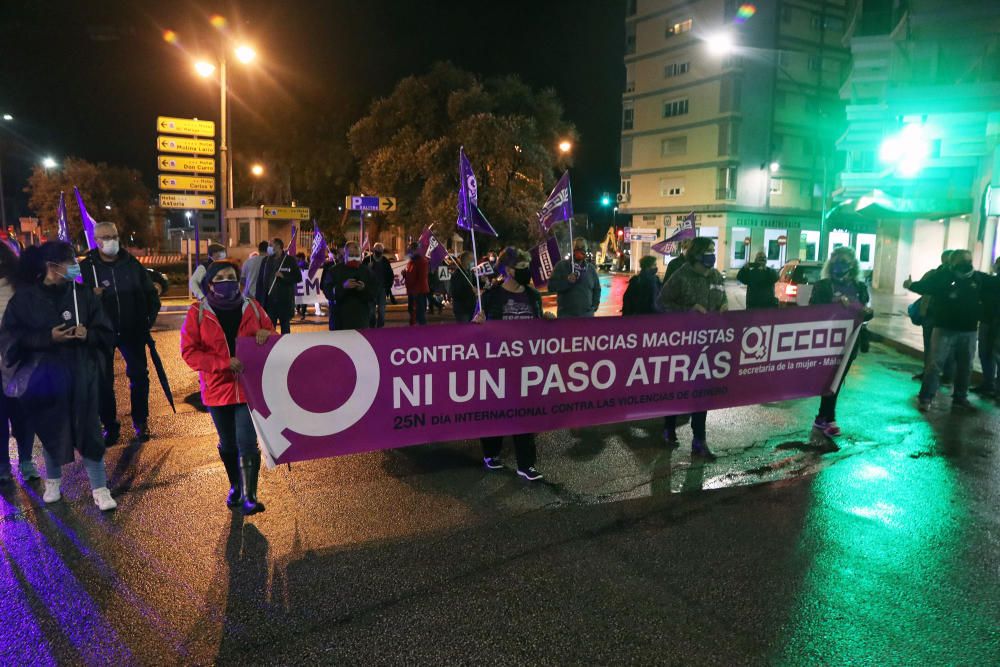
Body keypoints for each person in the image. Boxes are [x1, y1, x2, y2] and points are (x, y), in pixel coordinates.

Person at [3, 242, 117, 510]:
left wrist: (89, 334)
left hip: (81, 374)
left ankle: (100, 488)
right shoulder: (25, 300)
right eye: (69, 262)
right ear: (52, 267)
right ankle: (53, 482)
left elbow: (106, 331)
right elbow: (10, 339)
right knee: (51, 430)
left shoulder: (83, 295)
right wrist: (47, 338)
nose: (74, 267)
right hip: (45, 378)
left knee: (89, 430)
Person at [181, 261, 275, 514]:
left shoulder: (252, 307)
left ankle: (249, 496)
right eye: (220, 277)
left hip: (247, 388)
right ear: (210, 283)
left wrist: (266, 335)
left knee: (246, 441)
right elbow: (189, 352)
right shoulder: (198, 312)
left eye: (231, 277)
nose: (226, 281)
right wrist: (223, 363)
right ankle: (235, 485)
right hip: (216, 389)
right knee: (228, 443)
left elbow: (269, 332)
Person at [472, 249, 553, 481]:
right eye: (522, 266)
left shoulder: (532, 295)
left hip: (526, 365)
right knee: (495, 411)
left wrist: (546, 322)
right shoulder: (491, 296)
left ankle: (526, 464)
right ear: (508, 270)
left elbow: (538, 327)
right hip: (497, 364)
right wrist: (477, 323)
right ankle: (491, 453)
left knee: (525, 412)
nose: (527, 270)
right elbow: (473, 330)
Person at [80, 222, 160, 445]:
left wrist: (145, 323)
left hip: (132, 331)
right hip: (101, 334)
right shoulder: (87, 268)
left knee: (139, 376)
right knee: (103, 382)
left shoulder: (132, 264)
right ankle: (109, 425)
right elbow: (72, 300)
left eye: (114, 235)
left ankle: (141, 421)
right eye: (105, 236)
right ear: (96, 240)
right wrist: (90, 296)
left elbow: (152, 297)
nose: (111, 240)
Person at [657, 237, 727, 460]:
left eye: (713, 250)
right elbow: (661, 303)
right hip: (682, 345)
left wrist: (724, 305)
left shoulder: (716, 276)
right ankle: (668, 428)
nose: (712, 254)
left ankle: (699, 441)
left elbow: (721, 296)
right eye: (708, 250)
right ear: (696, 253)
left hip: (708, 345)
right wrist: (688, 310)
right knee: (677, 391)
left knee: (702, 393)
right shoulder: (681, 275)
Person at [906, 249, 985, 411]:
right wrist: (911, 285)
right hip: (944, 328)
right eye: (962, 261)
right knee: (935, 364)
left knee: (965, 365)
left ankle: (960, 397)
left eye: (968, 261)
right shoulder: (942, 277)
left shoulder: (977, 278)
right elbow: (925, 287)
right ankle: (926, 397)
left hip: (969, 330)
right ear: (952, 262)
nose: (966, 264)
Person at [809, 247, 874, 440]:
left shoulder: (860, 287)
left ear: (853, 265)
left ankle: (826, 417)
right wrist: (833, 302)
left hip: (849, 342)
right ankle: (826, 417)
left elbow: (865, 311)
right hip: (826, 340)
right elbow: (813, 309)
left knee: (837, 380)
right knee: (827, 378)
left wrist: (868, 313)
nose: (840, 267)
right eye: (836, 262)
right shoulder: (823, 286)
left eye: (844, 262)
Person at [0, 242, 37, 483]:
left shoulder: (20, 287)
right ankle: (3, 465)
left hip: (18, 361)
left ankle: (26, 460)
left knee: (23, 415)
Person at [909, 250, 955, 382]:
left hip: (942, 317)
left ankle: (940, 375)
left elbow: (921, 286)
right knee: (931, 345)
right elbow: (922, 287)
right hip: (931, 315)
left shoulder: (951, 276)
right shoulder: (936, 274)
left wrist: (912, 285)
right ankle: (933, 374)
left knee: (940, 347)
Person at [321, 242, 376, 331]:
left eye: (356, 255)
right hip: (339, 321)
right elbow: (328, 292)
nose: (354, 258)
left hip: (361, 320)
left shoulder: (367, 271)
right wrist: (343, 287)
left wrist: (363, 289)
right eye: (351, 255)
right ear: (345, 254)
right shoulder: (334, 271)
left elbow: (374, 293)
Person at [257, 237, 301, 335]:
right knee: (269, 328)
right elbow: (260, 281)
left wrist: (283, 276)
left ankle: (286, 348)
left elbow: (298, 278)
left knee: (285, 329)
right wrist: (259, 299)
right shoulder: (266, 260)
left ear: (278, 246)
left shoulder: (289, 260)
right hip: (269, 302)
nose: (268, 247)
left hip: (284, 302)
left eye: (270, 245)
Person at [548, 237, 601, 318]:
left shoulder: (590, 269)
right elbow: (551, 287)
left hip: (586, 317)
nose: (580, 251)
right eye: (577, 249)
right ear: (573, 250)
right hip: (566, 317)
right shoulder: (562, 266)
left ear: (586, 251)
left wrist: (594, 306)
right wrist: (567, 281)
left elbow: (597, 289)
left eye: (582, 249)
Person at [971, 257, 1000, 396]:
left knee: (987, 354)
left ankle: (989, 384)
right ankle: (993, 386)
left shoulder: (993, 282)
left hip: (990, 322)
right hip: (990, 321)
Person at [362, 242, 395, 328]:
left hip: (382, 290)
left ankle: (380, 328)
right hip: (370, 290)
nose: (378, 252)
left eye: (380, 250)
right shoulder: (367, 260)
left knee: (381, 311)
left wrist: (388, 286)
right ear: (373, 250)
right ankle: (372, 327)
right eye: (377, 250)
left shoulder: (385, 261)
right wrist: (367, 269)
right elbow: (361, 274)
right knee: (371, 312)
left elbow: (390, 275)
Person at [402, 242, 429, 326]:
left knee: (419, 314)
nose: (410, 251)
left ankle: (422, 333)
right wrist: (405, 274)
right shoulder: (411, 262)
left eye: (412, 249)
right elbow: (411, 275)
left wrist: (415, 292)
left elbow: (422, 278)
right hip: (412, 291)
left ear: (417, 250)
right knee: (412, 312)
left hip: (418, 292)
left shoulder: (422, 262)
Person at [450, 251, 478, 323]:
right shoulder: (457, 275)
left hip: (471, 307)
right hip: (462, 309)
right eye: (471, 259)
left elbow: (476, 284)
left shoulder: (470, 272)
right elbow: (455, 293)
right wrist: (470, 290)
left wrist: (482, 281)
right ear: (465, 260)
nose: (473, 262)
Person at [294, 252, 309, 320]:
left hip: (301, 284)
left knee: (302, 299)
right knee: (302, 299)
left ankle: (300, 312)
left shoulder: (302, 263)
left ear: (300, 258)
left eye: (297, 257)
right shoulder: (306, 264)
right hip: (303, 284)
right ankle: (300, 312)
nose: (296, 258)